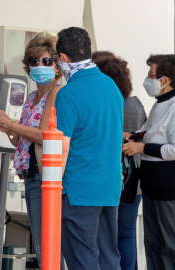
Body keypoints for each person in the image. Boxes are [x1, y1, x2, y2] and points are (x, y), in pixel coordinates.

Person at [0, 32, 65, 269]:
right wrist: (4, 125)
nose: (39, 66)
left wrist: (10, 125)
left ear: (57, 66)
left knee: (48, 249)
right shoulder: (33, 97)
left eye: (47, 61)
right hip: (31, 176)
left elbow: (46, 136)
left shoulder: (56, 92)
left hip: (45, 176)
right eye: (35, 61)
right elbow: (21, 142)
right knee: (43, 247)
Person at [54, 27, 123, 270]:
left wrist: (51, 187)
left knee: (83, 260)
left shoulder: (68, 94)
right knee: (108, 258)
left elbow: (61, 148)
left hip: (78, 190)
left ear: (62, 58)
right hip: (110, 187)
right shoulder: (112, 88)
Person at [123, 54, 175, 270]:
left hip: (171, 192)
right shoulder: (159, 104)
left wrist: (141, 147)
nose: (147, 80)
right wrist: (134, 135)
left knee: (174, 249)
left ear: (165, 80)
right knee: (154, 247)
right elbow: (151, 131)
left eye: (152, 76)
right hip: (152, 190)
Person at [93, 51, 146, 270]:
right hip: (135, 176)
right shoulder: (135, 103)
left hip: (109, 176)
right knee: (127, 233)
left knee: (105, 235)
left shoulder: (104, 104)